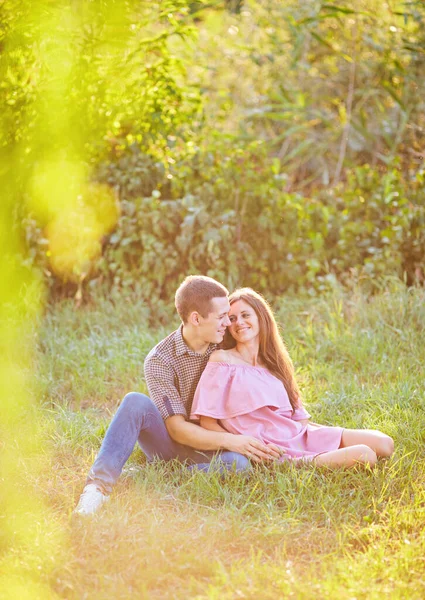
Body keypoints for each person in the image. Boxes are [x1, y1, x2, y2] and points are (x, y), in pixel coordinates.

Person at [75, 276, 282, 515]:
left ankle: (158, 474)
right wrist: (234, 441)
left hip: (214, 446)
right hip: (172, 445)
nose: (229, 323)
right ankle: (97, 488)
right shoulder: (160, 360)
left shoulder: (225, 344)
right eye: (222, 316)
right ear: (196, 318)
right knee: (135, 402)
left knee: (239, 465)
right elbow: (177, 430)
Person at [190, 288, 394, 468]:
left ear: (261, 317)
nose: (239, 323)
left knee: (384, 443)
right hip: (269, 447)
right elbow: (208, 422)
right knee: (365, 455)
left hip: (298, 434)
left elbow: (299, 419)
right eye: (232, 319)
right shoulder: (222, 360)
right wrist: (242, 445)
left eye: (245, 315)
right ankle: (298, 464)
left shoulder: (274, 363)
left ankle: (316, 454)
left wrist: (326, 435)